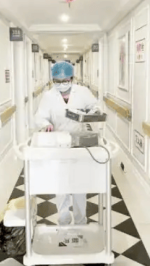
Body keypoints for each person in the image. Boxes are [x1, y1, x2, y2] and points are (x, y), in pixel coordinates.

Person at [33, 61, 100, 226]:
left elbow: (95, 106)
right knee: (60, 184)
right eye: (57, 81)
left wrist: (92, 112)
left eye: (65, 80)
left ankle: (80, 220)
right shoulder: (49, 96)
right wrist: (46, 124)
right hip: (59, 142)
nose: (61, 84)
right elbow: (39, 116)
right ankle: (63, 218)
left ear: (71, 78)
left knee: (79, 185)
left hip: (79, 142)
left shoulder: (82, 92)